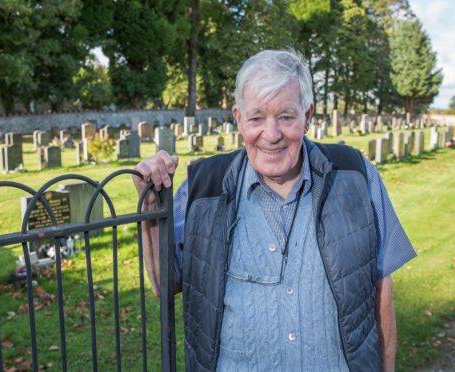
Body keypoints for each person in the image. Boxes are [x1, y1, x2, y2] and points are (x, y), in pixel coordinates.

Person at [133, 49, 416, 372]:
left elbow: (381, 290)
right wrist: (150, 209)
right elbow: (164, 284)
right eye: (256, 118)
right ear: (238, 119)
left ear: (308, 116)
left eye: (286, 116)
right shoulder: (203, 187)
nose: (271, 135)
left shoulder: (355, 176)